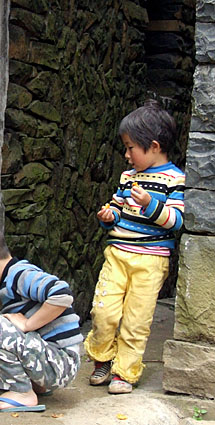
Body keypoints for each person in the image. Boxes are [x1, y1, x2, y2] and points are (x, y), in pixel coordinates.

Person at [84, 100, 185, 394]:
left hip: (151, 262)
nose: (127, 155)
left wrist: (150, 204)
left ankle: (124, 372)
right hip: (117, 255)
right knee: (103, 312)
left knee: (136, 320)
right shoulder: (127, 178)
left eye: (130, 148)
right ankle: (102, 358)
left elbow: (176, 221)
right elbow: (118, 207)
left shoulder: (175, 180)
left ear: (153, 146)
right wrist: (109, 216)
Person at [0, 221, 82, 413]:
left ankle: (22, 393)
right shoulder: (10, 279)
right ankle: (35, 386)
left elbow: (62, 295)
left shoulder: (20, 275)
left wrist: (28, 324)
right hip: (53, 362)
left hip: (61, 363)